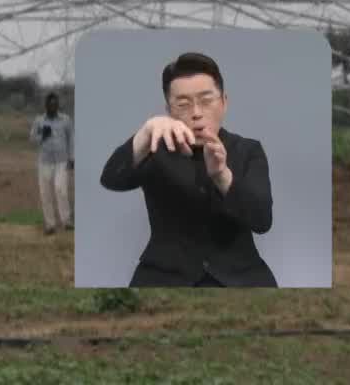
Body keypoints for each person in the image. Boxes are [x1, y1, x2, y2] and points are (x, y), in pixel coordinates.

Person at [98, 51, 276, 287]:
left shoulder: (247, 150)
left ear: (224, 102)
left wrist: (222, 176)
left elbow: (262, 220)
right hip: (164, 276)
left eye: (206, 100)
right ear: (169, 109)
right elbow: (111, 178)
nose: (196, 113)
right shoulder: (155, 148)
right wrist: (145, 132)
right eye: (183, 104)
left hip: (240, 276)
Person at [30, 91, 74, 234]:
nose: (53, 107)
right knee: (45, 193)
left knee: (60, 190)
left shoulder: (65, 120)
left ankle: (66, 222)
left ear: (58, 105)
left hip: (61, 161)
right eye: (50, 104)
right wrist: (43, 135)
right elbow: (32, 139)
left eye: (55, 104)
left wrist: (72, 158)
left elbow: (71, 139)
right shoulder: (39, 121)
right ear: (46, 106)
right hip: (45, 162)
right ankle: (50, 225)